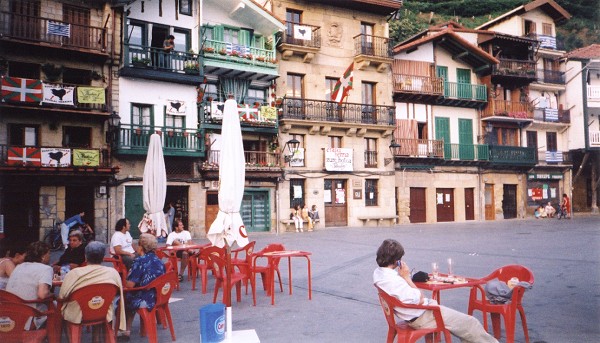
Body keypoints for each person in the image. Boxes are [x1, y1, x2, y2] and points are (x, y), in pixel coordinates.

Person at [373, 239, 498, 343]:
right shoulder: (394, 280)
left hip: (414, 315)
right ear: (397, 261)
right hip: (423, 316)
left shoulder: (378, 274)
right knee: (471, 323)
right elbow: (420, 298)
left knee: (464, 327)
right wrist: (406, 277)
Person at [59, 241, 126, 340]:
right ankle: (96, 339)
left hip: (78, 314)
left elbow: (62, 296)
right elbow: (118, 292)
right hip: (103, 311)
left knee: (63, 309)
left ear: (85, 257)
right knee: (100, 302)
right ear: (103, 257)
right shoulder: (112, 273)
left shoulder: (74, 273)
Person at [123, 234, 165, 341]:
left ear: (141, 246)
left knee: (124, 297)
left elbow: (130, 285)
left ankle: (124, 330)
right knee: (131, 293)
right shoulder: (159, 261)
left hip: (145, 297)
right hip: (159, 297)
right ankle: (127, 329)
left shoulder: (140, 261)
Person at [6, 241, 53, 328]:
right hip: (28, 313)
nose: (50, 256)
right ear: (43, 256)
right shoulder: (46, 269)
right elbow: (42, 295)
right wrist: (52, 294)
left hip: (11, 311)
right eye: (48, 253)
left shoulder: (19, 266)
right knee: (56, 307)